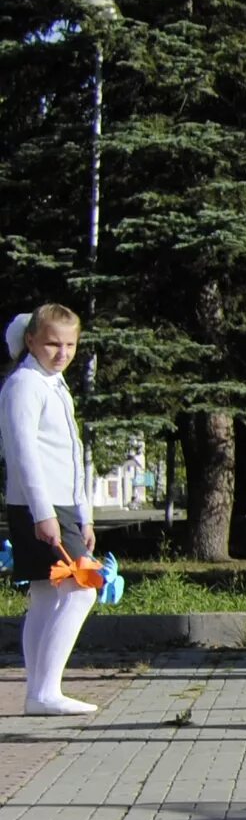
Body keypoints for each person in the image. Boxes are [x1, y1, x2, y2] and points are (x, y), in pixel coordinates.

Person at [4, 306, 99, 716]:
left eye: (70, 345)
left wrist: (86, 514)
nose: (62, 352)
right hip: (39, 505)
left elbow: (72, 455)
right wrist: (44, 513)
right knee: (84, 588)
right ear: (30, 341)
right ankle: (45, 691)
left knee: (45, 595)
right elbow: (23, 453)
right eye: (52, 343)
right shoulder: (24, 384)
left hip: (61, 505)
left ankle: (37, 694)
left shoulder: (54, 384)